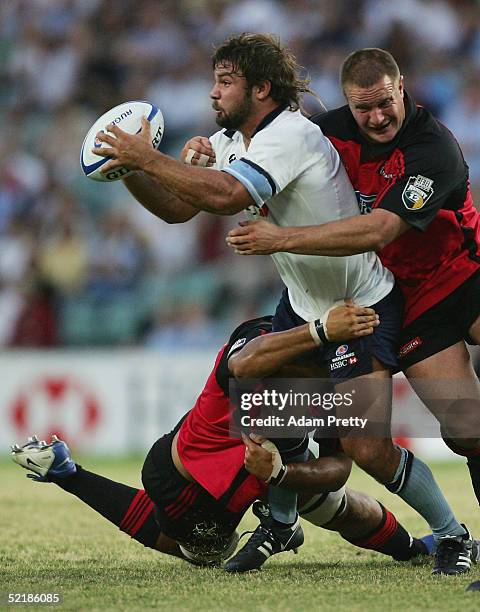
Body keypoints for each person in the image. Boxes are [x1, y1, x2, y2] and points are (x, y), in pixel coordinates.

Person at [90, 33, 471, 575]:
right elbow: (178, 209)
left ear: (261, 88)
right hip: (304, 305)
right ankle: (284, 520)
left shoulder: (287, 134)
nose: (213, 94)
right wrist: (131, 170)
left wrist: (147, 155)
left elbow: (226, 197)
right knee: (262, 401)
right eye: (215, 81)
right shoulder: (232, 141)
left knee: (368, 449)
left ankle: (453, 533)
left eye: (226, 82)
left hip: (360, 304)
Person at [225, 46, 480, 563]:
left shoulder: (433, 148)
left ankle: (449, 536)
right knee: (464, 427)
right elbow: (259, 143)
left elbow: (381, 227)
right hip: (408, 302)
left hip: (464, 278)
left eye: (386, 102)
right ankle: (281, 520)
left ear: (401, 87)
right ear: (348, 103)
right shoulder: (326, 133)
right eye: (364, 108)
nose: (378, 117)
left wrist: (282, 238)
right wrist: (208, 148)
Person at [11, 303, 433, 570]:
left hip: (263, 467)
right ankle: (70, 475)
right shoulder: (258, 344)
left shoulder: (343, 373)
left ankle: (415, 548)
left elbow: (339, 467)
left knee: (333, 506)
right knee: (206, 553)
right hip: (191, 477)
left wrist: (283, 474)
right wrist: (320, 332)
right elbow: (244, 364)